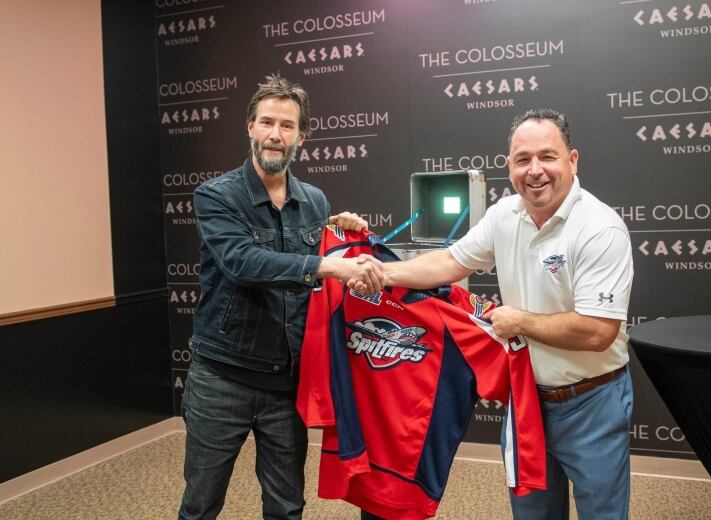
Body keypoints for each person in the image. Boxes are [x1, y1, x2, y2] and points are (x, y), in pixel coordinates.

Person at [365, 109, 634, 519]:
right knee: (532, 514)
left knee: (603, 515)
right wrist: (379, 273)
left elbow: (598, 330)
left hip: (591, 402)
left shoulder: (599, 228)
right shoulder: (503, 215)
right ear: (509, 165)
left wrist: (519, 321)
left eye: (548, 156)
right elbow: (450, 263)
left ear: (573, 160)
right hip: (526, 399)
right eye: (523, 159)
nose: (535, 170)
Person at [178, 74, 383, 520]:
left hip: (286, 385)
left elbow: (323, 261)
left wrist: (341, 237)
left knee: (287, 506)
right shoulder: (215, 195)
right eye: (267, 122)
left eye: (287, 126)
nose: (276, 134)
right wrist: (326, 265)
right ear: (249, 127)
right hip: (221, 379)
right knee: (200, 505)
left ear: (302, 137)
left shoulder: (314, 200)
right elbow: (242, 262)